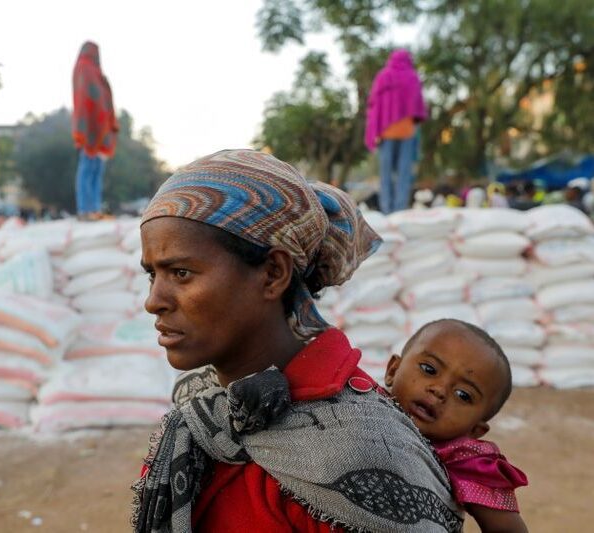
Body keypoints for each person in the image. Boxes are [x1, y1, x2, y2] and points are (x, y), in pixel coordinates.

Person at [132, 149, 463, 532]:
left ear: (273, 272)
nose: (154, 301)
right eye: (151, 276)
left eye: (182, 272)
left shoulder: (361, 446)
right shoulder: (202, 407)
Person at [385, 319, 528, 533]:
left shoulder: (465, 460)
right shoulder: (358, 404)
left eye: (463, 395)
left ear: (475, 431)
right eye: (429, 369)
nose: (439, 390)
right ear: (393, 370)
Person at [365, 49, 427, 215]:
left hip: (386, 131)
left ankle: (386, 209)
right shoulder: (412, 76)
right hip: (407, 131)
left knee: (385, 172)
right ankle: (399, 209)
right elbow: (418, 105)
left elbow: (373, 103)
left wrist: (375, 128)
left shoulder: (383, 76)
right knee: (403, 171)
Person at [71, 41, 119, 221]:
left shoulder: (97, 73)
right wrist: (86, 127)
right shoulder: (83, 68)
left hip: (101, 128)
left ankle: (95, 208)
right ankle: (85, 209)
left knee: (97, 169)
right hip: (89, 126)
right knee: (87, 167)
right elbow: (84, 98)